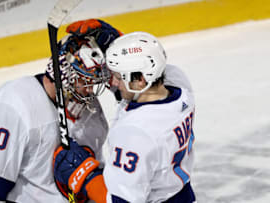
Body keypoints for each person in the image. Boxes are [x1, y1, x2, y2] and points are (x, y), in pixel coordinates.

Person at [0, 19, 122, 203]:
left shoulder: (91, 112)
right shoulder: (16, 102)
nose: (90, 91)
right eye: (84, 81)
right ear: (65, 72)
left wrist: (117, 42)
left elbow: (137, 93)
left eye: (94, 82)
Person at [53, 31, 196, 203]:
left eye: (119, 77)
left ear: (141, 80)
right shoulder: (181, 89)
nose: (113, 83)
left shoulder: (134, 133)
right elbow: (152, 60)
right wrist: (114, 40)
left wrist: (85, 176)